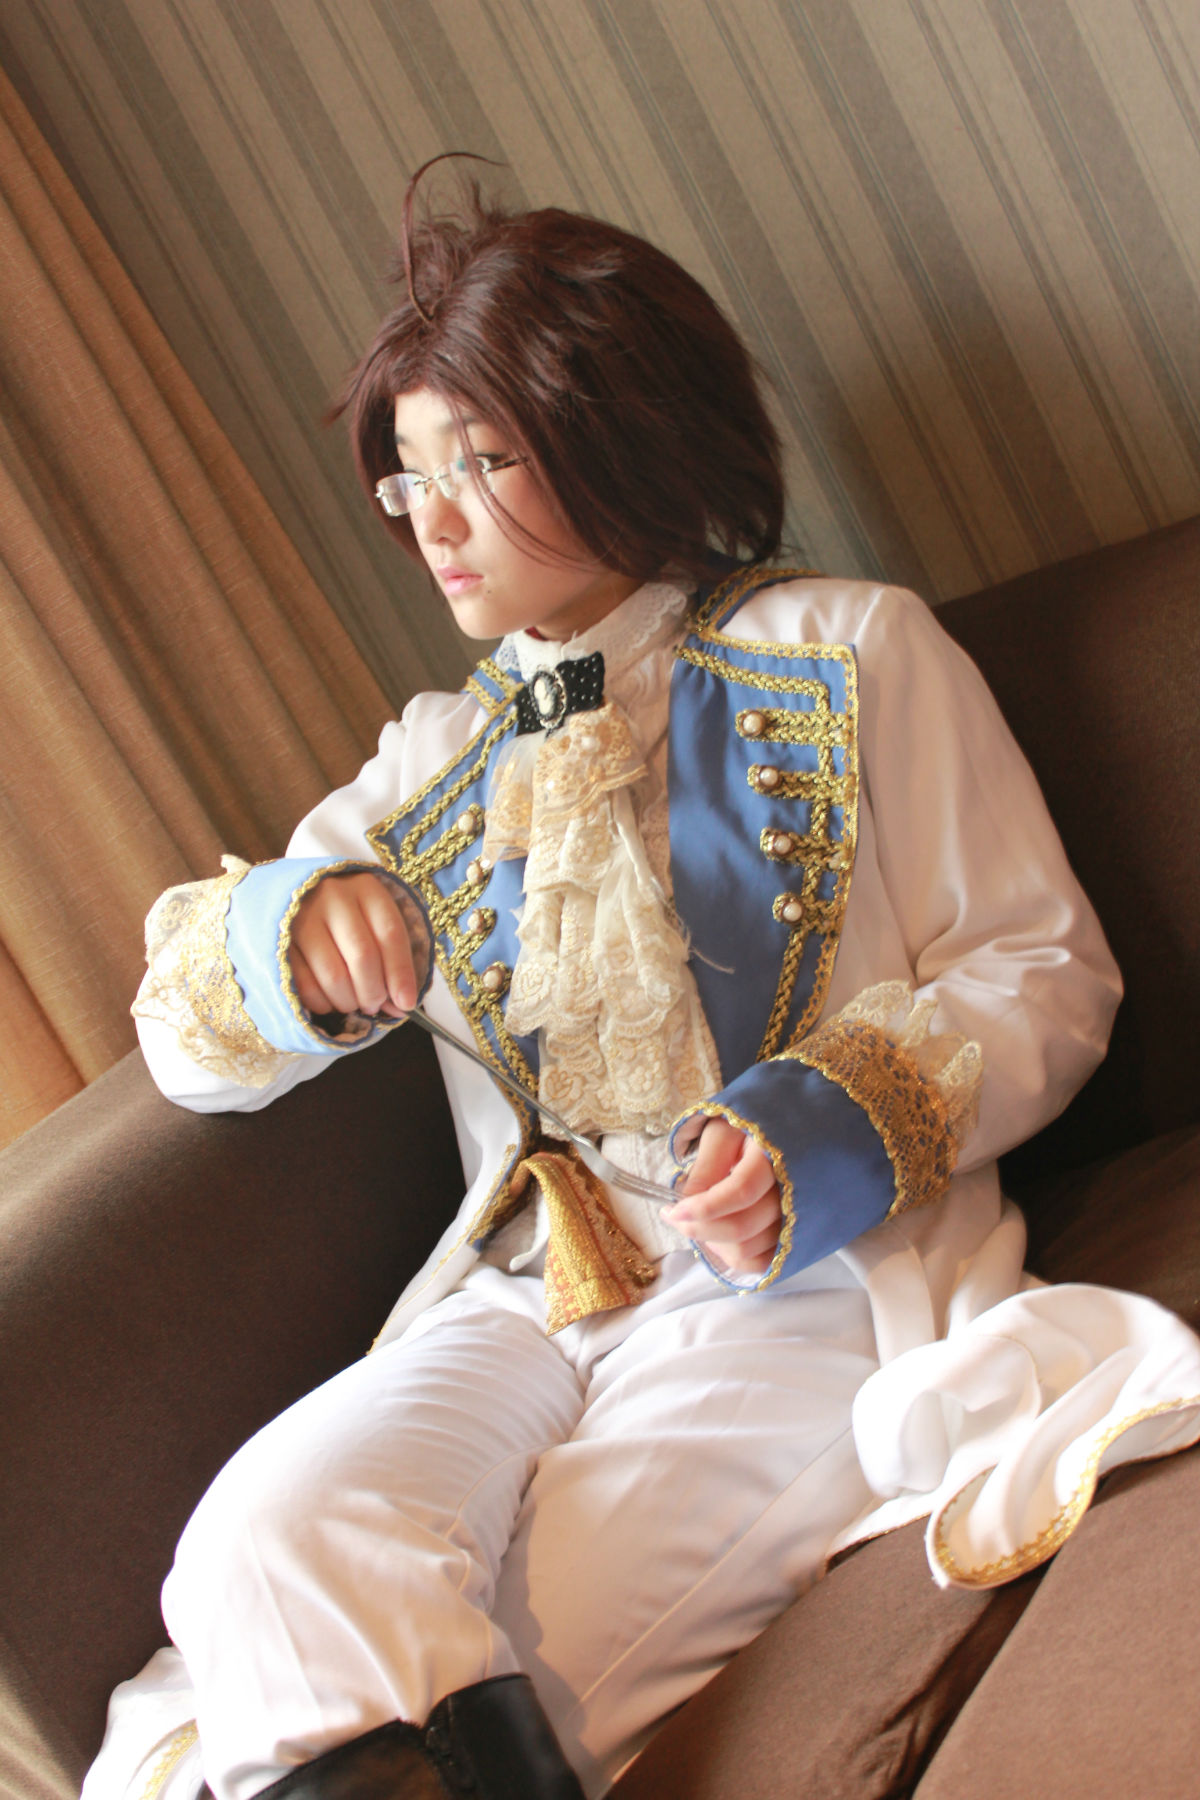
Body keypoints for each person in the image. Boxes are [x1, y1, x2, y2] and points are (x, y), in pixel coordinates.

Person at [83, 166, 1200, 1800]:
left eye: (481, 463)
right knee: (262, 1539)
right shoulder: (432, 763)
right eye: (410, 481)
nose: (436, 522)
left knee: (514, 1664)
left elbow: (1039, 968)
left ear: (621, 434)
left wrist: (819, 1126)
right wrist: (290, 936)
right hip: (526, 1288)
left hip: (807, 1282)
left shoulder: (851, 651)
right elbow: (185, 1041)